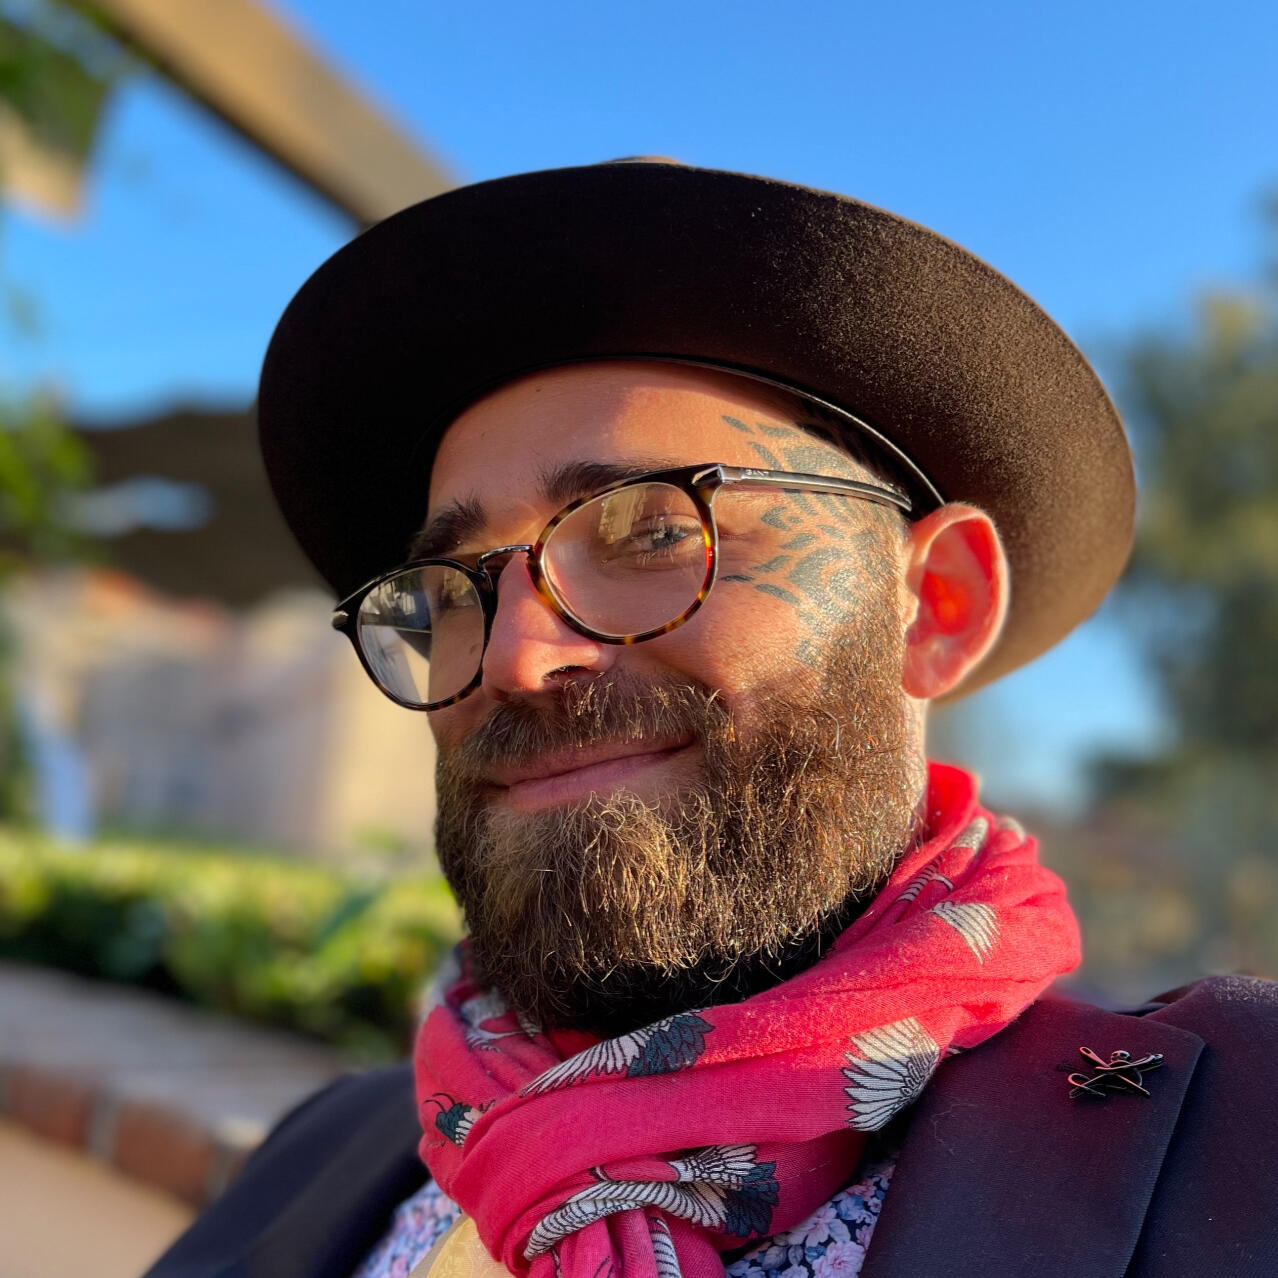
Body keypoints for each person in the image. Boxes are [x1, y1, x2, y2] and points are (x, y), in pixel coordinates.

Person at [147, 161, 1277, 1278]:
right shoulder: (317, 1158)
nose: (515, 657)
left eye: (649, 534)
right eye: (453, 591)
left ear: (933, 607)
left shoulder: (1236, 1143)